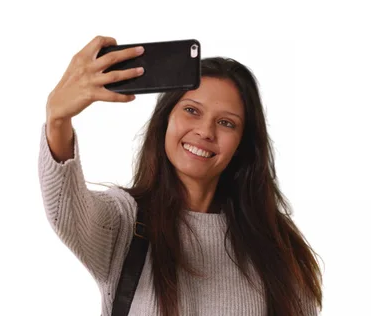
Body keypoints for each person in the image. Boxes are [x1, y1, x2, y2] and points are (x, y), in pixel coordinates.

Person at [38, 35, 323, 316]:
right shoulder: (125, 221)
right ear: (165, 120)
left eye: (226, 123)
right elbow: (66, 211)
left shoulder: (277, 243)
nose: (205, 132)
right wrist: (58, 120)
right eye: (191, 110)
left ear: (242, 144)